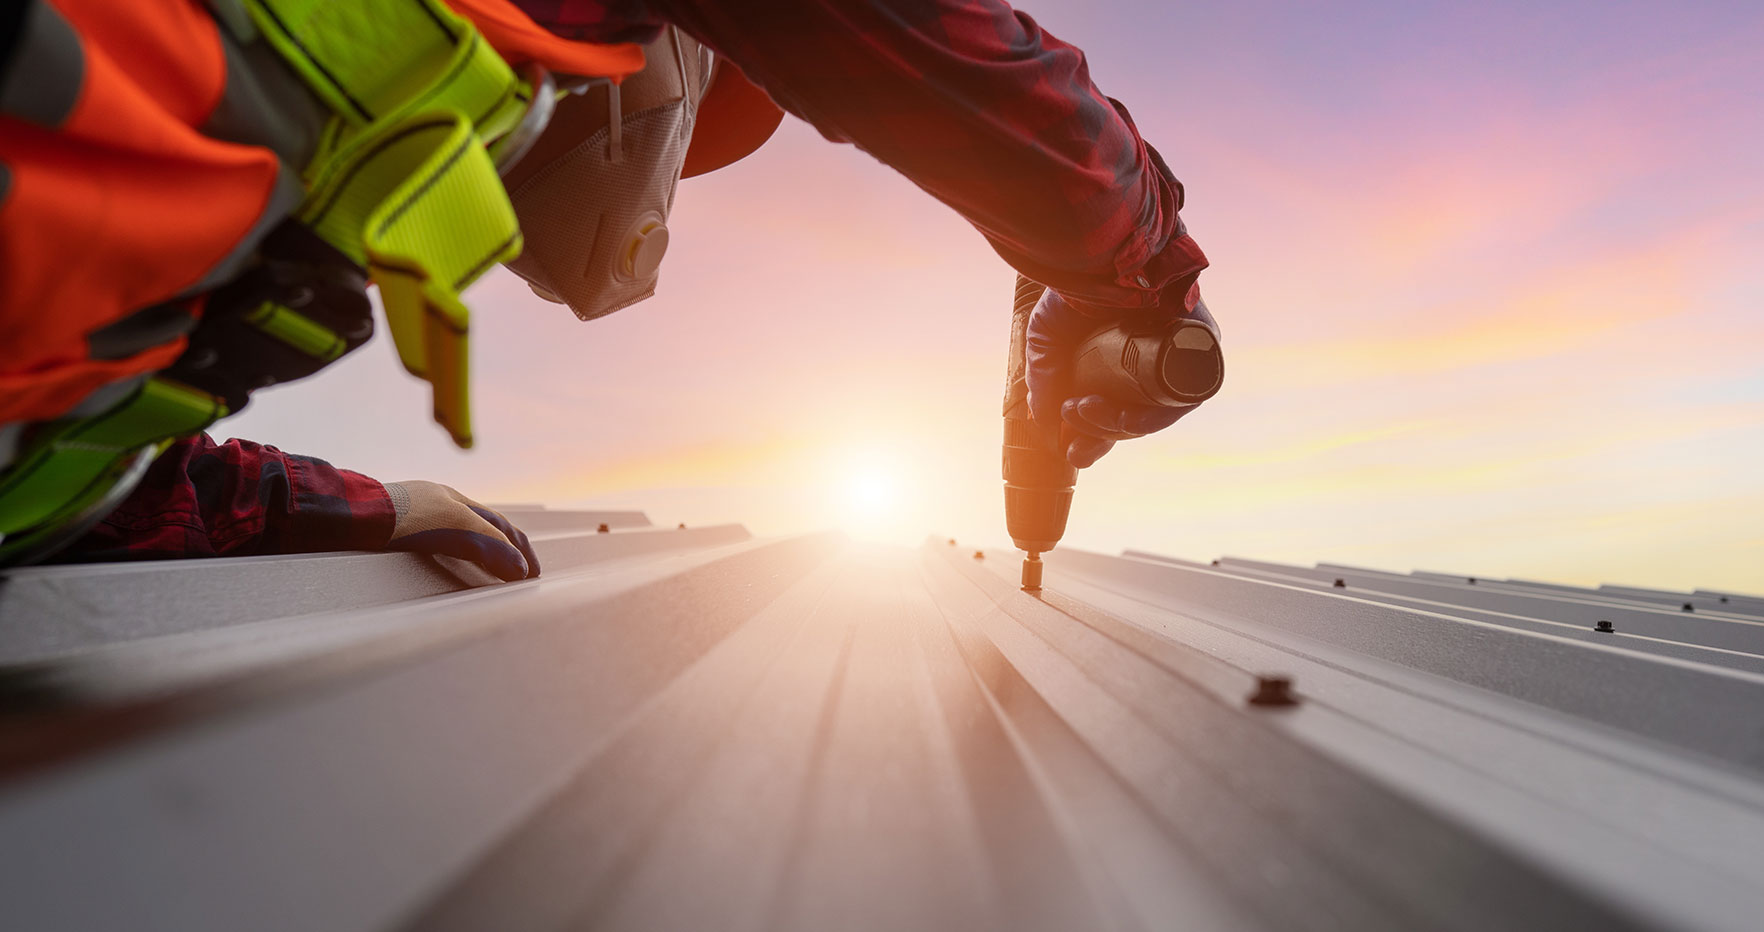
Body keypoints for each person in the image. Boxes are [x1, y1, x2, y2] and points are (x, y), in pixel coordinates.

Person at [0, 0, 1218, 575]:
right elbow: (953, 63)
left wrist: (307, 503)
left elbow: (39, 465)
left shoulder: (215, 161)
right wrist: (1145, 263)